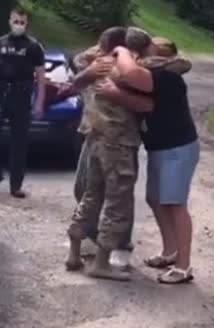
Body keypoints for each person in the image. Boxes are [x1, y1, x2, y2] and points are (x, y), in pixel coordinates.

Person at [95, 36, 199, 284]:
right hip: (160, 147)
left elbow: (131, 78)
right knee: (155, 199)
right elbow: (141, 99)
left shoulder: (167, 77)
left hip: (177, 148)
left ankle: (184, 266)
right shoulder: (154, 75)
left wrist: (120, 51)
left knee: (175, 203)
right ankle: (170, 251)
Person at [65, 27, 156, 281]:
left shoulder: (95, 63)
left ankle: (74, 252)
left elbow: (80, 63)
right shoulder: (125, 68)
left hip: (95, 139)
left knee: (91, 195)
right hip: (118, 142)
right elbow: (148, 93)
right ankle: (101, 262)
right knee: (118, 202)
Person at [0, 7, 46, 198]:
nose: (19, 25)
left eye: (22, 22)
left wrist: (39, 102)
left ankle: (16, 184)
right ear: (9, 21)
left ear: (27, 24)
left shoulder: (33, 46)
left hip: (21, 96)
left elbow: (41, 77)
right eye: (16, 21)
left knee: (19, 142)